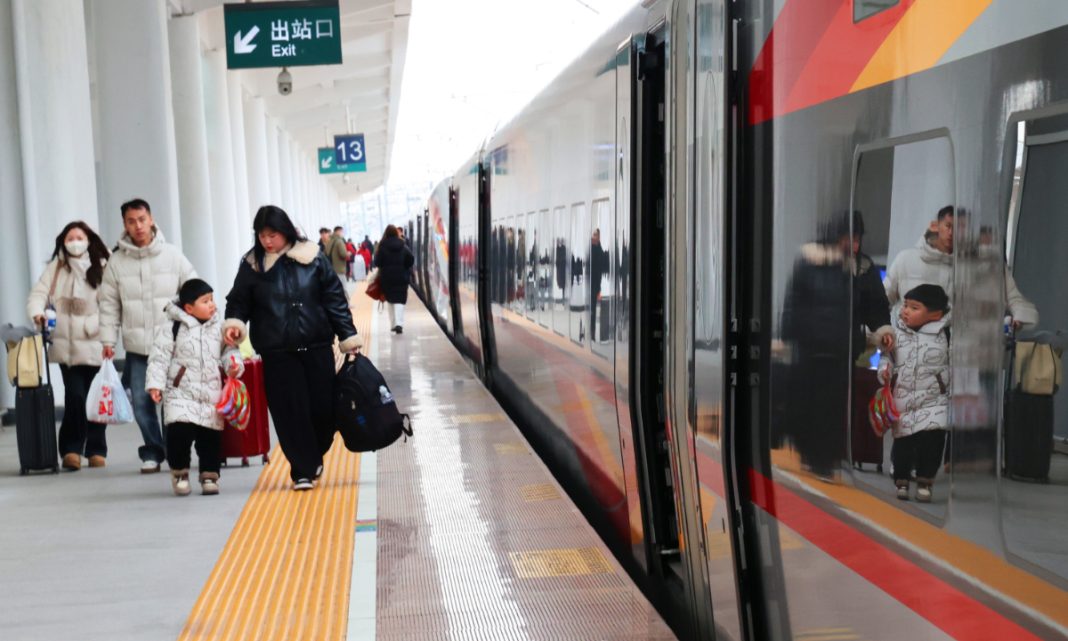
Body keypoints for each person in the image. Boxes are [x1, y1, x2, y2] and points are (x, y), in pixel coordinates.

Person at [223, 206, 361, 491]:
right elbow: (238, 301)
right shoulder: (252, 265)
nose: (267, 241)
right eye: (262, 235)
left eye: (272, 235)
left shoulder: (312, 257)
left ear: (285, 231)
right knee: (289, 413)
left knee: (323, 410)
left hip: (316, 346)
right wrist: (235, 323)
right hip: (277, 352)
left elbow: (334, 299)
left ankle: (313, 455)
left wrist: (348, 337)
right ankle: (302, 470)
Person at [781, 210, 893, 479]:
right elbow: (794, 300)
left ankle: (824, 459)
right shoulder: (811, 260)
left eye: (857, 239)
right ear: (835, 236)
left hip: (843, 349)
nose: (853, 244)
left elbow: (876, 306)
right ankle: (812, 454)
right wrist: (788, 336)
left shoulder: (862, 269)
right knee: (810, 404)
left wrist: (883, 330)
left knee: (833, 409)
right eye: (848, 238)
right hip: (810, 347)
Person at [99, 199, 197, 473]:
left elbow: (194, 289)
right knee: (142, 403)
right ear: (125, 224)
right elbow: (109, 304)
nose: (138, 226)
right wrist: (108, 341)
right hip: (138, 348)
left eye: (142, 219)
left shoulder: (173, 256)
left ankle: (175, 450)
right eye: (132, 221)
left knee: (173, 401)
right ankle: (153, 450)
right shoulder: (117, 262)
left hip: (172, 345)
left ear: (151, 219)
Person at [26, 221, 111, 471]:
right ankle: (71, 449)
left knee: (96, 399)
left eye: (79, 237)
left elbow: (111, 303)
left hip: (95, 343)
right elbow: (38, 295)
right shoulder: (56, 268)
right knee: (75, 397)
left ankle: (96, 449)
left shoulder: (103, 267)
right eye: (70, 238)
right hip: (66, 347)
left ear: (89, 240)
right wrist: (37, 313)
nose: (75, 242)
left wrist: (93, 326)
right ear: (63, 242)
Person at [146, 279, 242, 496]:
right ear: (189, 308)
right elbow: (159, 358)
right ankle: (180, 472)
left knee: (210, 438)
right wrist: (155, 385)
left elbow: (230, 351)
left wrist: (234, 366)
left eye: (212, 300)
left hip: (210, 393)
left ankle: (210, 475)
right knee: (178, 435)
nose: (212, 305)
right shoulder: (172, 327)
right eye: (205, 301)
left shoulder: (219, 327)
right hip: (180, 392)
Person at [884, 206, 1037, 329]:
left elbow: (1014, 299)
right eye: (948, 226)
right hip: (911, 350)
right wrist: (883, 334)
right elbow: (883, 300)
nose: (952, 232)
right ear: (936, 226)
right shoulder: (906, 260)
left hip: (966, 351)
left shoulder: (987, 265)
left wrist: (1019, 318)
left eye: (960, 228)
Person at [880, 284, 951, 503]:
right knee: (903, 444)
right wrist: (884, 371)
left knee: (932, 443)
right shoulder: (896, 334)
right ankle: (901, 480)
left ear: (935, 314)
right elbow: (887, 358)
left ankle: (925, 481)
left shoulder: (946, 335)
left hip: (935, 401)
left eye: (914, 307)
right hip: (904, 400)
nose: (906, 311)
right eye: (905, 306)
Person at [373, 224, 415, 334]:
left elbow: (377, 262)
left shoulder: (382, 246)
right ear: (396, 233)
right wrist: (405, 266)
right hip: (402, 277)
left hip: (387, 278)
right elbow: (411, 259)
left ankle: (393, 324)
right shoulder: (403, 245)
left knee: (390, 300)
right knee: (400, 300)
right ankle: (399, 324)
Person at [589, 228, 609, 341]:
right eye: (595, 235)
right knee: (592, 308)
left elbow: (602, 262)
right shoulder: (591, 247)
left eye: (597, 235)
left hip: (598, 283)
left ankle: (594, 332)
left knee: (596, 307)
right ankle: (592, 332)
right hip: (592, 283)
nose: (596, 237)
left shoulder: (599, 246)